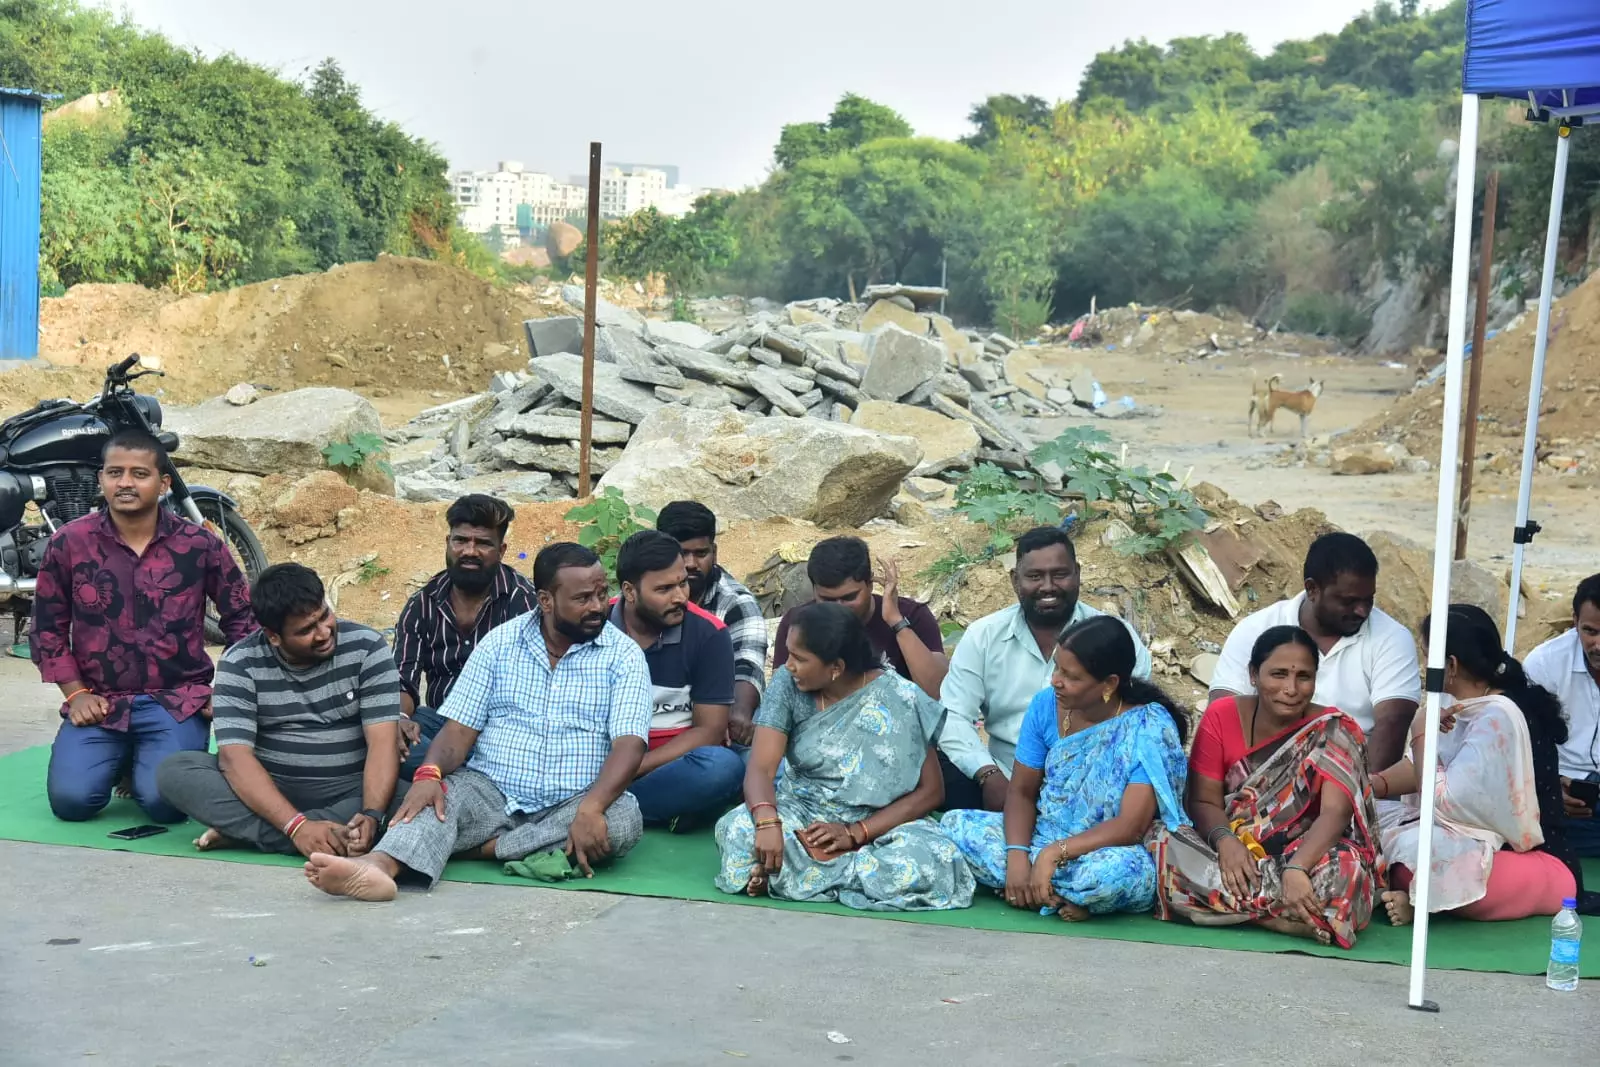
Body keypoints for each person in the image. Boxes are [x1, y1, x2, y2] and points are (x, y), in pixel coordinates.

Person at [303, 543, 651, 902]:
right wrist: (429, 774)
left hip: (576, 799)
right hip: (490, 789)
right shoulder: (500, 643)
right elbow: (458, 730)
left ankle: (487, 847)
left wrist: (592, 808)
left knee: (624, 819)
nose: (597, 606)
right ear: (546, 601)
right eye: (582, 598)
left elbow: (630, 745)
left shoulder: (624, 656)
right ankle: (376, 867)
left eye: (600, 594)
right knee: (431, 799)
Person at [31, 429, 256, 824]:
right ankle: (125, 759)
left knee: (164, 806)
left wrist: (225, 693)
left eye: (139, 474)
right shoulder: (69, 543)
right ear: (101, 478)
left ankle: (149, 762)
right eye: (115, 473)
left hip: (177, 700)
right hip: (100, 702)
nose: (125, 483)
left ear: (163, 483)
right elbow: (47, 628)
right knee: (72, 802)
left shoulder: (199, 546)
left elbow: (243, 620)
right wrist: (76, 693)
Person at [715, 602, 975, 912]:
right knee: (738, 829)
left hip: (881, 823)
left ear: (836, 668)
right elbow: (760, 768)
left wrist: (855, 834)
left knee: (935, 860)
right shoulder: (787, 684)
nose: (789, 666)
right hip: (802, 812)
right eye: (789, 654)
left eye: (799, 658)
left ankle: (794, 875)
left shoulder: (901, 697)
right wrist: (768, 823)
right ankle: (828, 873)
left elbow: (932, 791)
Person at [941, 616, 1188, 920]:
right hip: (1042, 834)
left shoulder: (1148, 727)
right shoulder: (1045, 705)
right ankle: (1046, 891)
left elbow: (1130, 826)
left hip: (1106, 849)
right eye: (1056, 667)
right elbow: (1021, 792)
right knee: (955, 825)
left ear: (1109, 683)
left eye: (1071, 676)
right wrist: (1017, 856)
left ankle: (1044, 888)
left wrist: (1053, 854)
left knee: (1113, 876)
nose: (1055, 680)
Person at [1154, 625, 1383, 948]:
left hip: (1300, 852)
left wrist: (1297, 868)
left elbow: (1335, 813)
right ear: (1253, 675)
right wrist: (1226, 843)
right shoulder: (1221, 716)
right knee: (1162, 842)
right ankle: (1279, 918)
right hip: (1228, 850)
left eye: (1303, 676)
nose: (1291, 688)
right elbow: (1203, 801)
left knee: (1347, 867)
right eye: (1277, 674)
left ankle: (1238, 908)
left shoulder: (1335, 730)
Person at [156, 564, 404, 856]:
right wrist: (296, 826)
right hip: (268, 789)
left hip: (352, 790)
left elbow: (382, 743)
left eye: (324, 616)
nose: (324, 633)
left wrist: (373, 814)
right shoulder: (240, 662)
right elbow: (236, 759)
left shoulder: (367, 646)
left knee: (415, 799)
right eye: (306, 630)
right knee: (175, 772)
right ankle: (308, 834)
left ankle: (254, 834)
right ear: (274, 636)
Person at [1374, 605, 1582, 925]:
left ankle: (1420, 900)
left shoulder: (1499, 716)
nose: (1424, 664)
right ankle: (1421, 894)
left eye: (1428, 655)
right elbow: (1420, 767)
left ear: (1452, 664)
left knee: (1416, 856)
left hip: (1532, 861)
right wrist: (1372, 786)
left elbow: (1445, 799)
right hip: (1472, 843)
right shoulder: (1452, 699)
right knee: (1372, 819)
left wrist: (1420, 731)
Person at [937, 526, 1153, 812]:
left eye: (1060, 574)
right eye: (1035, 576)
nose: (1048, 587)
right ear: (1015, 580)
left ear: (1077, 573)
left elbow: (1137, 721)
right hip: (1006, 777)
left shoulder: (1115, 637)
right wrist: (988, 775)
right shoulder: (983, 636)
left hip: (1093, 782)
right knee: (934, 768)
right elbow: (953, 715)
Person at [1209, 532, 1419, 768]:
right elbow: (1222, 712)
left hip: (1351, 776)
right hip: (1261, 774)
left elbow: (1393, 721)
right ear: (1312, 589)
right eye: (1349, 601)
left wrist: (1362, 795)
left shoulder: (1392, 638)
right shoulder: (1256, 628)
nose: (1362, 610)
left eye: (1368, 599)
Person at [393, 494, 536, 781]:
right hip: (438, 724)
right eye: (461, 541)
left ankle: (447, 779)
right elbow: (403, 680)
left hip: (503, 731)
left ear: (502, 549)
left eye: (483, 543)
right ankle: (468, 779)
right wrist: (401, 719)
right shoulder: (422, 603)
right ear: (448, 542)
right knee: (392, 744)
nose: (470, 551)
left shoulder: (525, 602)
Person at [610, 530, 744, 830]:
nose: (680, 597)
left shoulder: (709, 634)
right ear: (630, 592)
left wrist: (631, 769)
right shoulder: (595, 626)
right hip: (600, 757)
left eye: (682, 583)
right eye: (664, 589)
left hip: (667, 765)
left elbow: (709, 730)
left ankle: (605, 805)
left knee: (722, 767)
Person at [771, 536, 947, 699]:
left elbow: (937, 692)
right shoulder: (798, 624)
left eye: (849, 598)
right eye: (827, 600)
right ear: (814, 590)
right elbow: (781, 698)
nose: (839, 607)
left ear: (870, 584)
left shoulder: (912, 616)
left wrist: (896, 621)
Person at [655, 501, 768, 751]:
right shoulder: (645, 597)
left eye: (701, 553)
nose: (691, 563)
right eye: (682, 553)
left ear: (714, 552)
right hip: (657, 711)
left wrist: (738, 715)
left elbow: (748, 663)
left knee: (759, 750)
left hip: (721, 711)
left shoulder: (736, 602)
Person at [1524, 573, 1600, 858]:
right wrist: (1550, 785)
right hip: (1561, 794)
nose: (1598, 645)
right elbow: (1524, 740)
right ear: (1574, 621)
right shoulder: (1545, 663)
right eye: (1590, 631)